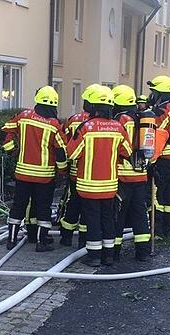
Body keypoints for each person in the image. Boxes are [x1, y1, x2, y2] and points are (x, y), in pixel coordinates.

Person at [66, 86, 132, 267]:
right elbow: (127, 151)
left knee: (92, 219)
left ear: (93, 106)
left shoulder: (86, 127)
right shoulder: (118, 127)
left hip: (88, 185)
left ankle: (94, 257)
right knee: (108, 218)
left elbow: (71, 154)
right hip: (110, 185)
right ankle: (108, 256)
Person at [1, 86, 68, 252]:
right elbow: (61, 151)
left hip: (23, 174)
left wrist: (11, 150)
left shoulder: (23, 116)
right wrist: (62, 171)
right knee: (43, 208)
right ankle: (41, 242)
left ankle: (11, 240)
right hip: (44, 177)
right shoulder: (54, 125)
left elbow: (6, 131)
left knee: (18, 206)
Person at [111, 85, 153, 262]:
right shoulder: (141, 118)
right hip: (140, 175)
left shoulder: (121, 120)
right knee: (139, 214)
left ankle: (114, 252)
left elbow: (118, 147)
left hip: (123, 175)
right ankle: (143, 252)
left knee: (118, 215)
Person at [59, 83, 102, 248]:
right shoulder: (103, 122)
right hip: (94, 172)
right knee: (89, 207)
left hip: (75, 169)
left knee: (72, 202)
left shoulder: (74, 119)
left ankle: (66, 236)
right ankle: (84, 240)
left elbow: (64, 141)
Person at [147, 75, 170, 239]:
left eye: (153, 91)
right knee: (168, 192)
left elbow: (157, 130)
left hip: (163, 156)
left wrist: (151, 160)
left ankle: (158, 230)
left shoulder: (166, 108)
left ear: (159, 92)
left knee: (158, 193)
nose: (151, 95)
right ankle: (167, 228)